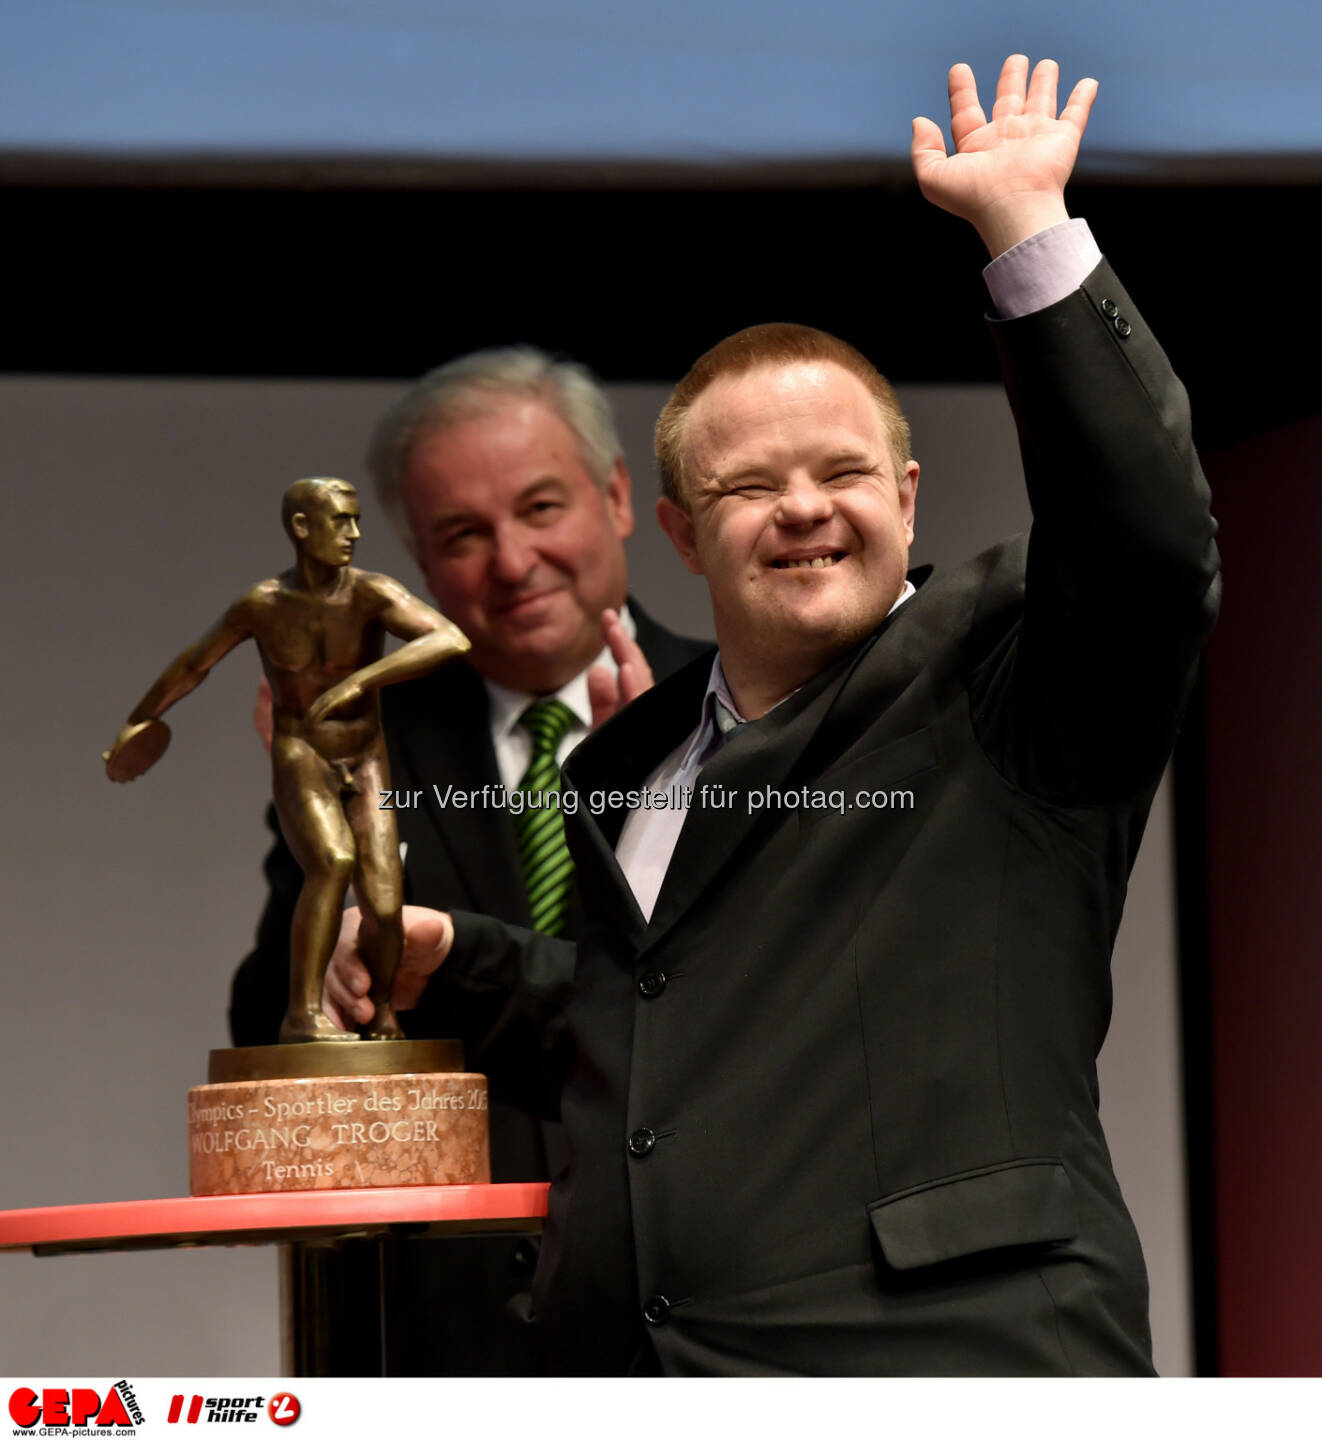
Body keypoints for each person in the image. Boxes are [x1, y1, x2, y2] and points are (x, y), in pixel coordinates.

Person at [325, 56, 1221, 1375]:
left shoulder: (1007, 679)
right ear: (681, 534)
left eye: (841, 472)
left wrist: (1024, 227)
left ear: (907, 499)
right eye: (752, 485)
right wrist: (464, 961)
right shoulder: (627, 766)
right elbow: (679, 1023)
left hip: (953, 1370)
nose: (802, 506)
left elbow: (1147, 538)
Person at [229, 350, 708, 1373]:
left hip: (685, 1309)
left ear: (618, 496)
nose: (510, 560)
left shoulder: (739, 712)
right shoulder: (365, 734)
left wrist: (633, 820)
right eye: (462, 535)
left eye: (541, 507)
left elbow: (727, 1017)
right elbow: (271, 1021)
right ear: (417, 560)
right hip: (429, 1323)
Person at [105, 476, 470, 1042]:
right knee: (330, 861)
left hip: (365, 756)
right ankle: (302, 1013)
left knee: (386, 901)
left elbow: (450, 639)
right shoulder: (264, 605)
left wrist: (362, 681)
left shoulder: (371, 593)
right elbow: (195, 663)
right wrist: (142, 717)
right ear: (302, 528)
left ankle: (386, 1016)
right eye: (340, 520)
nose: (354, 532)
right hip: (302, 751)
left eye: (356, 519)